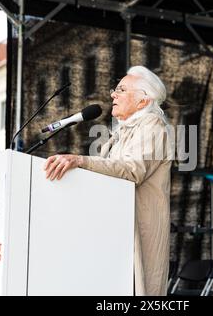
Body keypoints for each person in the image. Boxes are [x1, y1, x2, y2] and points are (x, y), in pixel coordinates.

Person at [44, 65, 172, 296]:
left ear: (143, 101)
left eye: (121, 89)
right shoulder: (120, 132)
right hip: (113, 228)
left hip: (136, 228)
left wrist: (81, 161)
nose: (113, 94)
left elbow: (132, 170)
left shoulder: (152, 125)